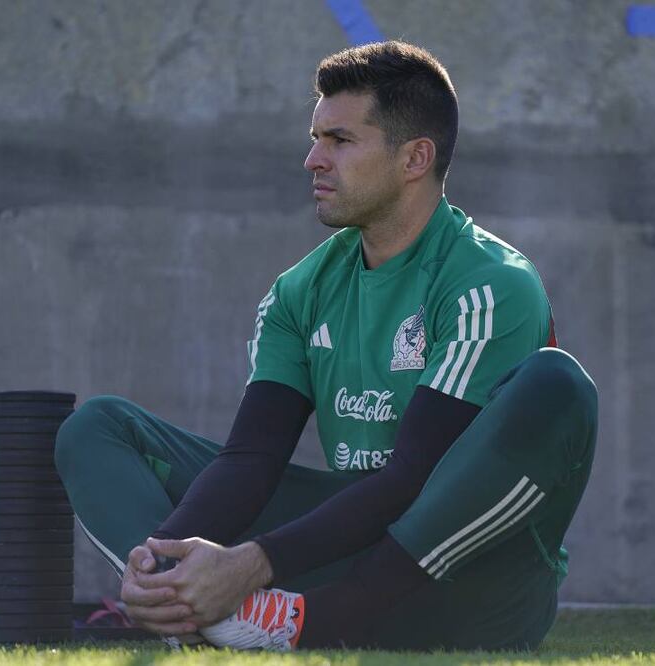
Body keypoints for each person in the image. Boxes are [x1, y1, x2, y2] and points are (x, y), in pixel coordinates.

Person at [55, 40, 597, 651]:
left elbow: (415, 479)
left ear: (415, 157)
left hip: (468, 584)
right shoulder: (300, 290)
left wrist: (254, 562)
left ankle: (309, 622)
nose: (313, 159)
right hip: (347, 546)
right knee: (97, 427)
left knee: (559, 382)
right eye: (316, 138)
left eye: (340, 141)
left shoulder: (490, 284)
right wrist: (167, 559)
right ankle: (188, 609)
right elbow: (250, 460)